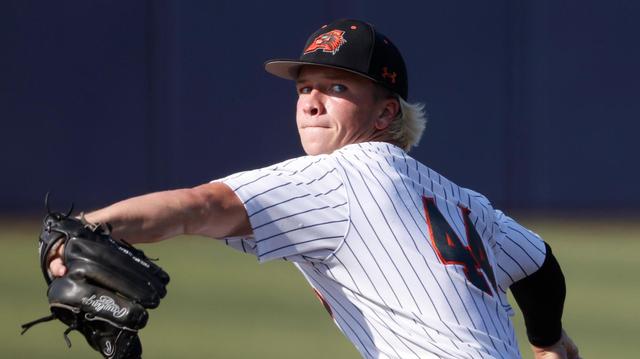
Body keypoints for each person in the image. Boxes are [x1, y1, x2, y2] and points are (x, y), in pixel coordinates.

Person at [47, 19, 580, 359]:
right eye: (305, 88)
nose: (311, 102)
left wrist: (88, 230)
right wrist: (549, 343)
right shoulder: (457, 199)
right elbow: (538, 267)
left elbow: (198, 206)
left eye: (337, 88)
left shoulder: (338, 177)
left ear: (385, 113)